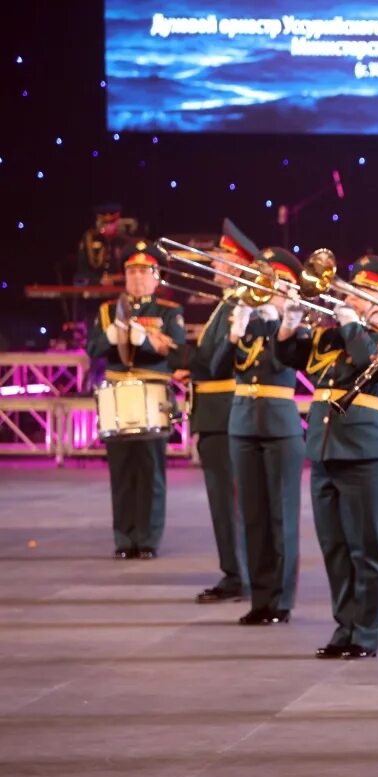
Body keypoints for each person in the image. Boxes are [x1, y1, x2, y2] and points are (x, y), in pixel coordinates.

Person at [275, 256, 378, 659]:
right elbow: (289, 356)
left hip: (370, 456)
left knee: (366, 548)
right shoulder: (331, 336)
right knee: (335, 548)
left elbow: (369, 362)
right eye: (353, 289)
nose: (351, 295)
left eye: (364, 292)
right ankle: (345, 625)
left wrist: (352, 321)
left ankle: (367, 632)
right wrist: (289, 323)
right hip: (325, 451)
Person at [212, 247, 305, 626]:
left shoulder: (294, 325)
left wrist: (286, 324)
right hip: (243, 424)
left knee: (281, 516)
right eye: (266, 282)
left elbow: (289, 362)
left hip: (280, 425)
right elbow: (215, 368)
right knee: (253, 515)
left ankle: (281, 600)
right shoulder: (247, 321)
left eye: (278, 284)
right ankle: (260, 597)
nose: (269, 290)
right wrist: (233, 334)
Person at [85, 241, 186, 559]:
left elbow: (178, 350)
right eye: (132, 271)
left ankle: (148, 539)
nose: (138, 277)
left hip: (152, 394)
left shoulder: (168, 312)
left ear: (156, 277)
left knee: (151, 470)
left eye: (144, 271)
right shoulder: (106, 311)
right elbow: (92, 349)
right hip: (118, 395)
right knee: (122, 472)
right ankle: (124, 538)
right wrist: (109, 338)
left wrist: (147, 342)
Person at [191, 219, 255, 603]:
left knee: (227, 500)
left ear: (236, 264)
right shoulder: (227, 302)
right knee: (225, 500)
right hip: (216, 411)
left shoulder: (238, 304)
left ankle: (237, 574)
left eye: (220, 258)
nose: (214, 264)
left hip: (223, 412)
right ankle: (237, 571)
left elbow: (216, 363)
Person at [75, 202, 137, 285]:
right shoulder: (88, 241)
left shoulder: (126, 242)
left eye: (112, 222)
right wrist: (99, 281)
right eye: (104, 223)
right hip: (94, 292)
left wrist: (116, 279)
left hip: (121, 292)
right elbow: (79, 280)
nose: (108, 227)